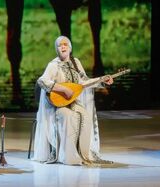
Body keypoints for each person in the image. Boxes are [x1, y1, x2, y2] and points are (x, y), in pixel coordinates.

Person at [32, 35, 114, 165]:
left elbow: (84, 82)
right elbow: (42, 81)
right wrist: (63, 89)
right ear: (56, 49)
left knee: (86, 117)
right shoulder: (53, 65)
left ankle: (83, 155)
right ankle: (69, 157)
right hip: (56, 106)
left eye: (65, 44)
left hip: (73, 102)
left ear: (70, 48)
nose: (63, 46)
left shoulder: (76, 63)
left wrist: (101, 81)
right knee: (67, 116)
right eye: (60, 45)